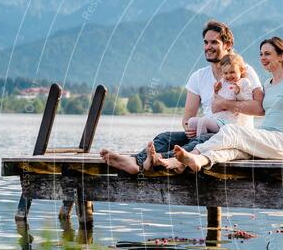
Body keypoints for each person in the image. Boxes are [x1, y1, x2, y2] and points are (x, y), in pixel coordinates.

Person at [99, 20, 263, 174]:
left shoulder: (244, 71)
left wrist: (224, 103)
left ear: (228, 45)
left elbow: (259, 109)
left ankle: (161, 159)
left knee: (202, 140)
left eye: (214, 42)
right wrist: (190, 129)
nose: (208, 47)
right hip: (206, 130)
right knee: (165, 137)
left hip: (233, 136)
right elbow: (187, 118)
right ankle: (136, 162)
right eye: (206, 42)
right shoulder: (198, 77)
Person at [154, 36, 283, 172]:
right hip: (264, 137)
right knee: (232, 150)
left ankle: (184, 157)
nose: (262, 58)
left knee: (231, 130)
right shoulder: (268, 85)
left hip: (280, 141)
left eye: (267, 54)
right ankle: (199, 160)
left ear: (282, 56)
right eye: (261, 54)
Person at [188, 52, 254, 137]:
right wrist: (216, 92)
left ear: (241, 70)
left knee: (203, 122)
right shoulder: (223, 82)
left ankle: (200, 144)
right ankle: (192, 142)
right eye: (225, 73)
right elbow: (215, 105)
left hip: (230, 122)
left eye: (232, 72)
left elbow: (249, 101)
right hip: (217, 118)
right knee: (192, 121)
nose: (228, 76)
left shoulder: (244, 82)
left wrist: (238, 93)